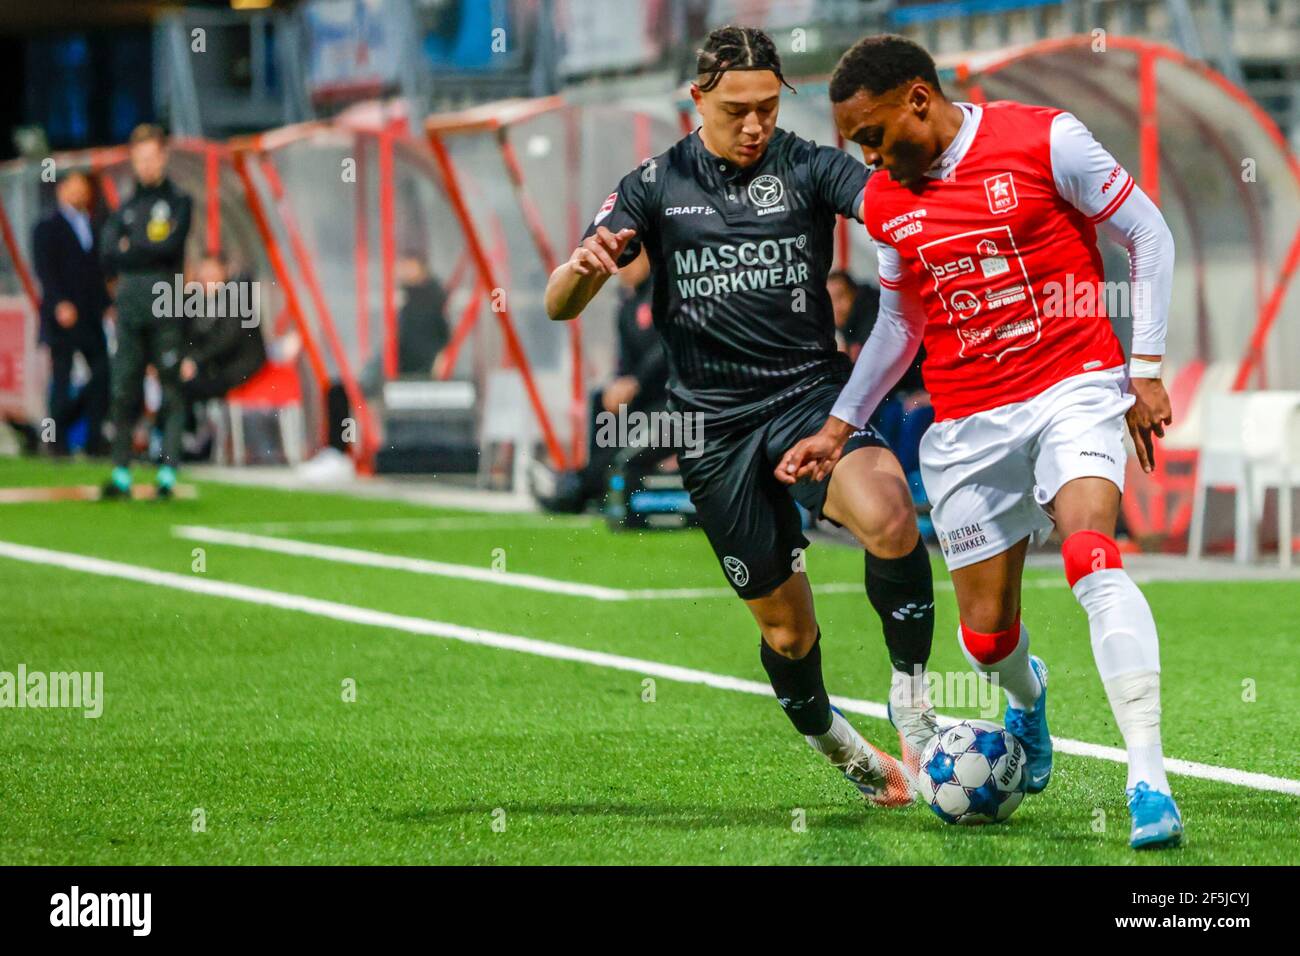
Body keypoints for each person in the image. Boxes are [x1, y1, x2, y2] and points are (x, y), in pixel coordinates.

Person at [798, 34, 1180, 847]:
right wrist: (839, 425)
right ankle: (1025, 698)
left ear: (918, 100)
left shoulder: (1045, 138)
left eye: (872, 135)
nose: (867, 156)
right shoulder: (891, 206)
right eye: (854, 144)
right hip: (967, 422)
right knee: (985, 639)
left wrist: (1144, 368)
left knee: (1090, 558)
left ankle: (1148, 778)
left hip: (1073, 384)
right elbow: (901, 324)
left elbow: (1148, 233)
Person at [545, 25, 938, 807]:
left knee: (892, 514)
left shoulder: (808, 165)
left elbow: (891, 207)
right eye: (737, 110)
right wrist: (581, 271)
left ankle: (915, 704)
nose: (756, 124)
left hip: (806, 398)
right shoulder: (654, 185)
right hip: (712, 430)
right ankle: (834, 738)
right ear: (697, 100)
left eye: (767, 106)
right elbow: (561, 305)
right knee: (789, 635)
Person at [538, 248, 671, 513]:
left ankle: (581, 486)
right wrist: (619, 383)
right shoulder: (627, 307)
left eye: (628, 260)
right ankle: (590, 482)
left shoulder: (667, 294)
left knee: (625, 450)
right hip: (641, 403)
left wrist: (636, 381)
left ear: (646, 257)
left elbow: (668, 347)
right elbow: (625, 361)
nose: (620, 269)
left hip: (670, 402)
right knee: (602, 399)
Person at [100, 124, 193, 499]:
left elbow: (169, 247)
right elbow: (108, 252)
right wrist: (139, 250)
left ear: (164, 157)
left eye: (152, 157)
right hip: (130, 308)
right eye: (140, 159)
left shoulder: (178, 202)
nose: (146, 166)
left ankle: (167, 472)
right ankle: (121, 471)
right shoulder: (125, 206)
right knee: (124, 388)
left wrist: (131, 248)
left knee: (170, 388)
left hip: (166, 304)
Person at [32, 169, 111, 456]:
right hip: (62, 317)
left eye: (84, 187)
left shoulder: (95, 225)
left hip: (91, 316)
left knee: (103, 374)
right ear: (61, 189)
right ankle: (57, 443)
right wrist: (59, 303)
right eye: (75, 186)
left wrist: (107, 305)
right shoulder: (46, 227)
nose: (81, 192)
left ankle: (93, 440)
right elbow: (45, 272)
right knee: (62, 380)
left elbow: (97, 273)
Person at [180, 253, 267, 404]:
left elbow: (227, 337)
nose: (206, 280)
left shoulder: (237, 298)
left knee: (188, 389)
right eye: (203, 276)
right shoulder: (199, 302)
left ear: (224, 272)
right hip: (218, 366)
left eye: (212, 275)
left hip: (239, 366)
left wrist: (195, 360)